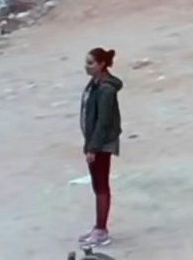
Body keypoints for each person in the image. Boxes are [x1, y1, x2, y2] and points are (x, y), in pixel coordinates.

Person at [77, 45, 122, 251]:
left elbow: (103, 123)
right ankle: (98, 227)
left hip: (101, 144)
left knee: (101, 186)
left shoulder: (105, 90)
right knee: (98, 186)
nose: (86, 67)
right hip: (94, 141)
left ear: (102, 64)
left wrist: (92, 148)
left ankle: (101, 230)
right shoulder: (95, 83)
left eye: (90, 63)